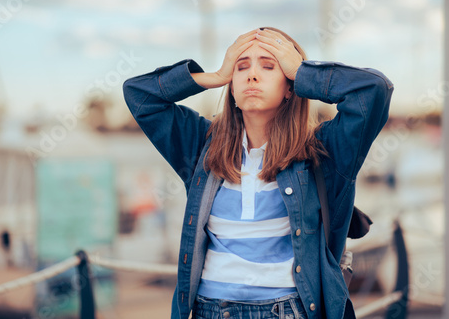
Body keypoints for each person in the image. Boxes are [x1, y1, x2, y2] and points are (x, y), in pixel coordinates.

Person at [123, 27, 393, 319]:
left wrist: (303, 73)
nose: (252, 75)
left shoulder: (324, 152)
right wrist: (214, 76)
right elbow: (140, 96)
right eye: (241, 67)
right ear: (232, 86)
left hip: (288, 311)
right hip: (210, 311)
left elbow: (374, 90)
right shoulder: (201, 145)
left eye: (268, 66)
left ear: (291, 86)